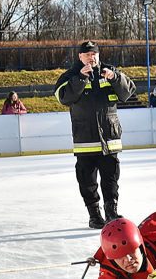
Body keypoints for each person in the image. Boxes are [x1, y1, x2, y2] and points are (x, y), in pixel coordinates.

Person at [55, 41, 136, 229]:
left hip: (110, 140)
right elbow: (63, 97)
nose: (92, 57)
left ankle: (111, 212)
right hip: (85, 141)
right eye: (87, 54)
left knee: (111, 179)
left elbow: (129, 92)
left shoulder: (109, 71)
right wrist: (80, 79)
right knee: (87, 181)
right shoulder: (71, 76)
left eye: (94, 54)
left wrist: (115, 77)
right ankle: (94, 215)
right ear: (80, 57)